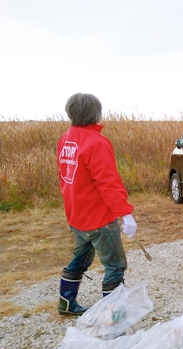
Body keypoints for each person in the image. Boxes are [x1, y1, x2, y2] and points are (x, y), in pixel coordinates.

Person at [57, 93, 137, 315]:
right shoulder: (96, 142)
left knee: (81, 257)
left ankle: (66, 302)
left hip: (77, 216)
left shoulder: (65, 140)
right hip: (98, 219)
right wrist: (125, 213)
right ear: (95, 113)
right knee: (115, 265)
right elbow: (108, 183)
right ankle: (115, 316)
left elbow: (65, 177)